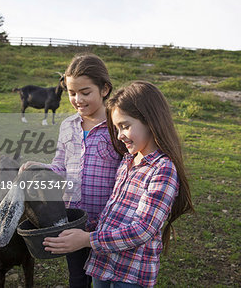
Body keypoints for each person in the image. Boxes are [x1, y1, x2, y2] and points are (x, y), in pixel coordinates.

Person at [43, 81, 195, 288]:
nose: (119, 135)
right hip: (103, 264)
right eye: (116, 128)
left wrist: (88, 239)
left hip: (131, 273)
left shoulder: (163, 169)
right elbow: (113, 212)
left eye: (125, 126)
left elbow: (143, 229)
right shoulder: (128, 161)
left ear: (150, 121)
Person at [19, 53, 122, 288]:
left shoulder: (117, 126)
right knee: (77, 276)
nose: (77, 100)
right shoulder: (68, 126)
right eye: (72, 93)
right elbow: (60, 166)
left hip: (108, 224)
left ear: (104, 89)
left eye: (85, 93)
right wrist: (40, 167)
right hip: (73, 220)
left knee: (105, 280)